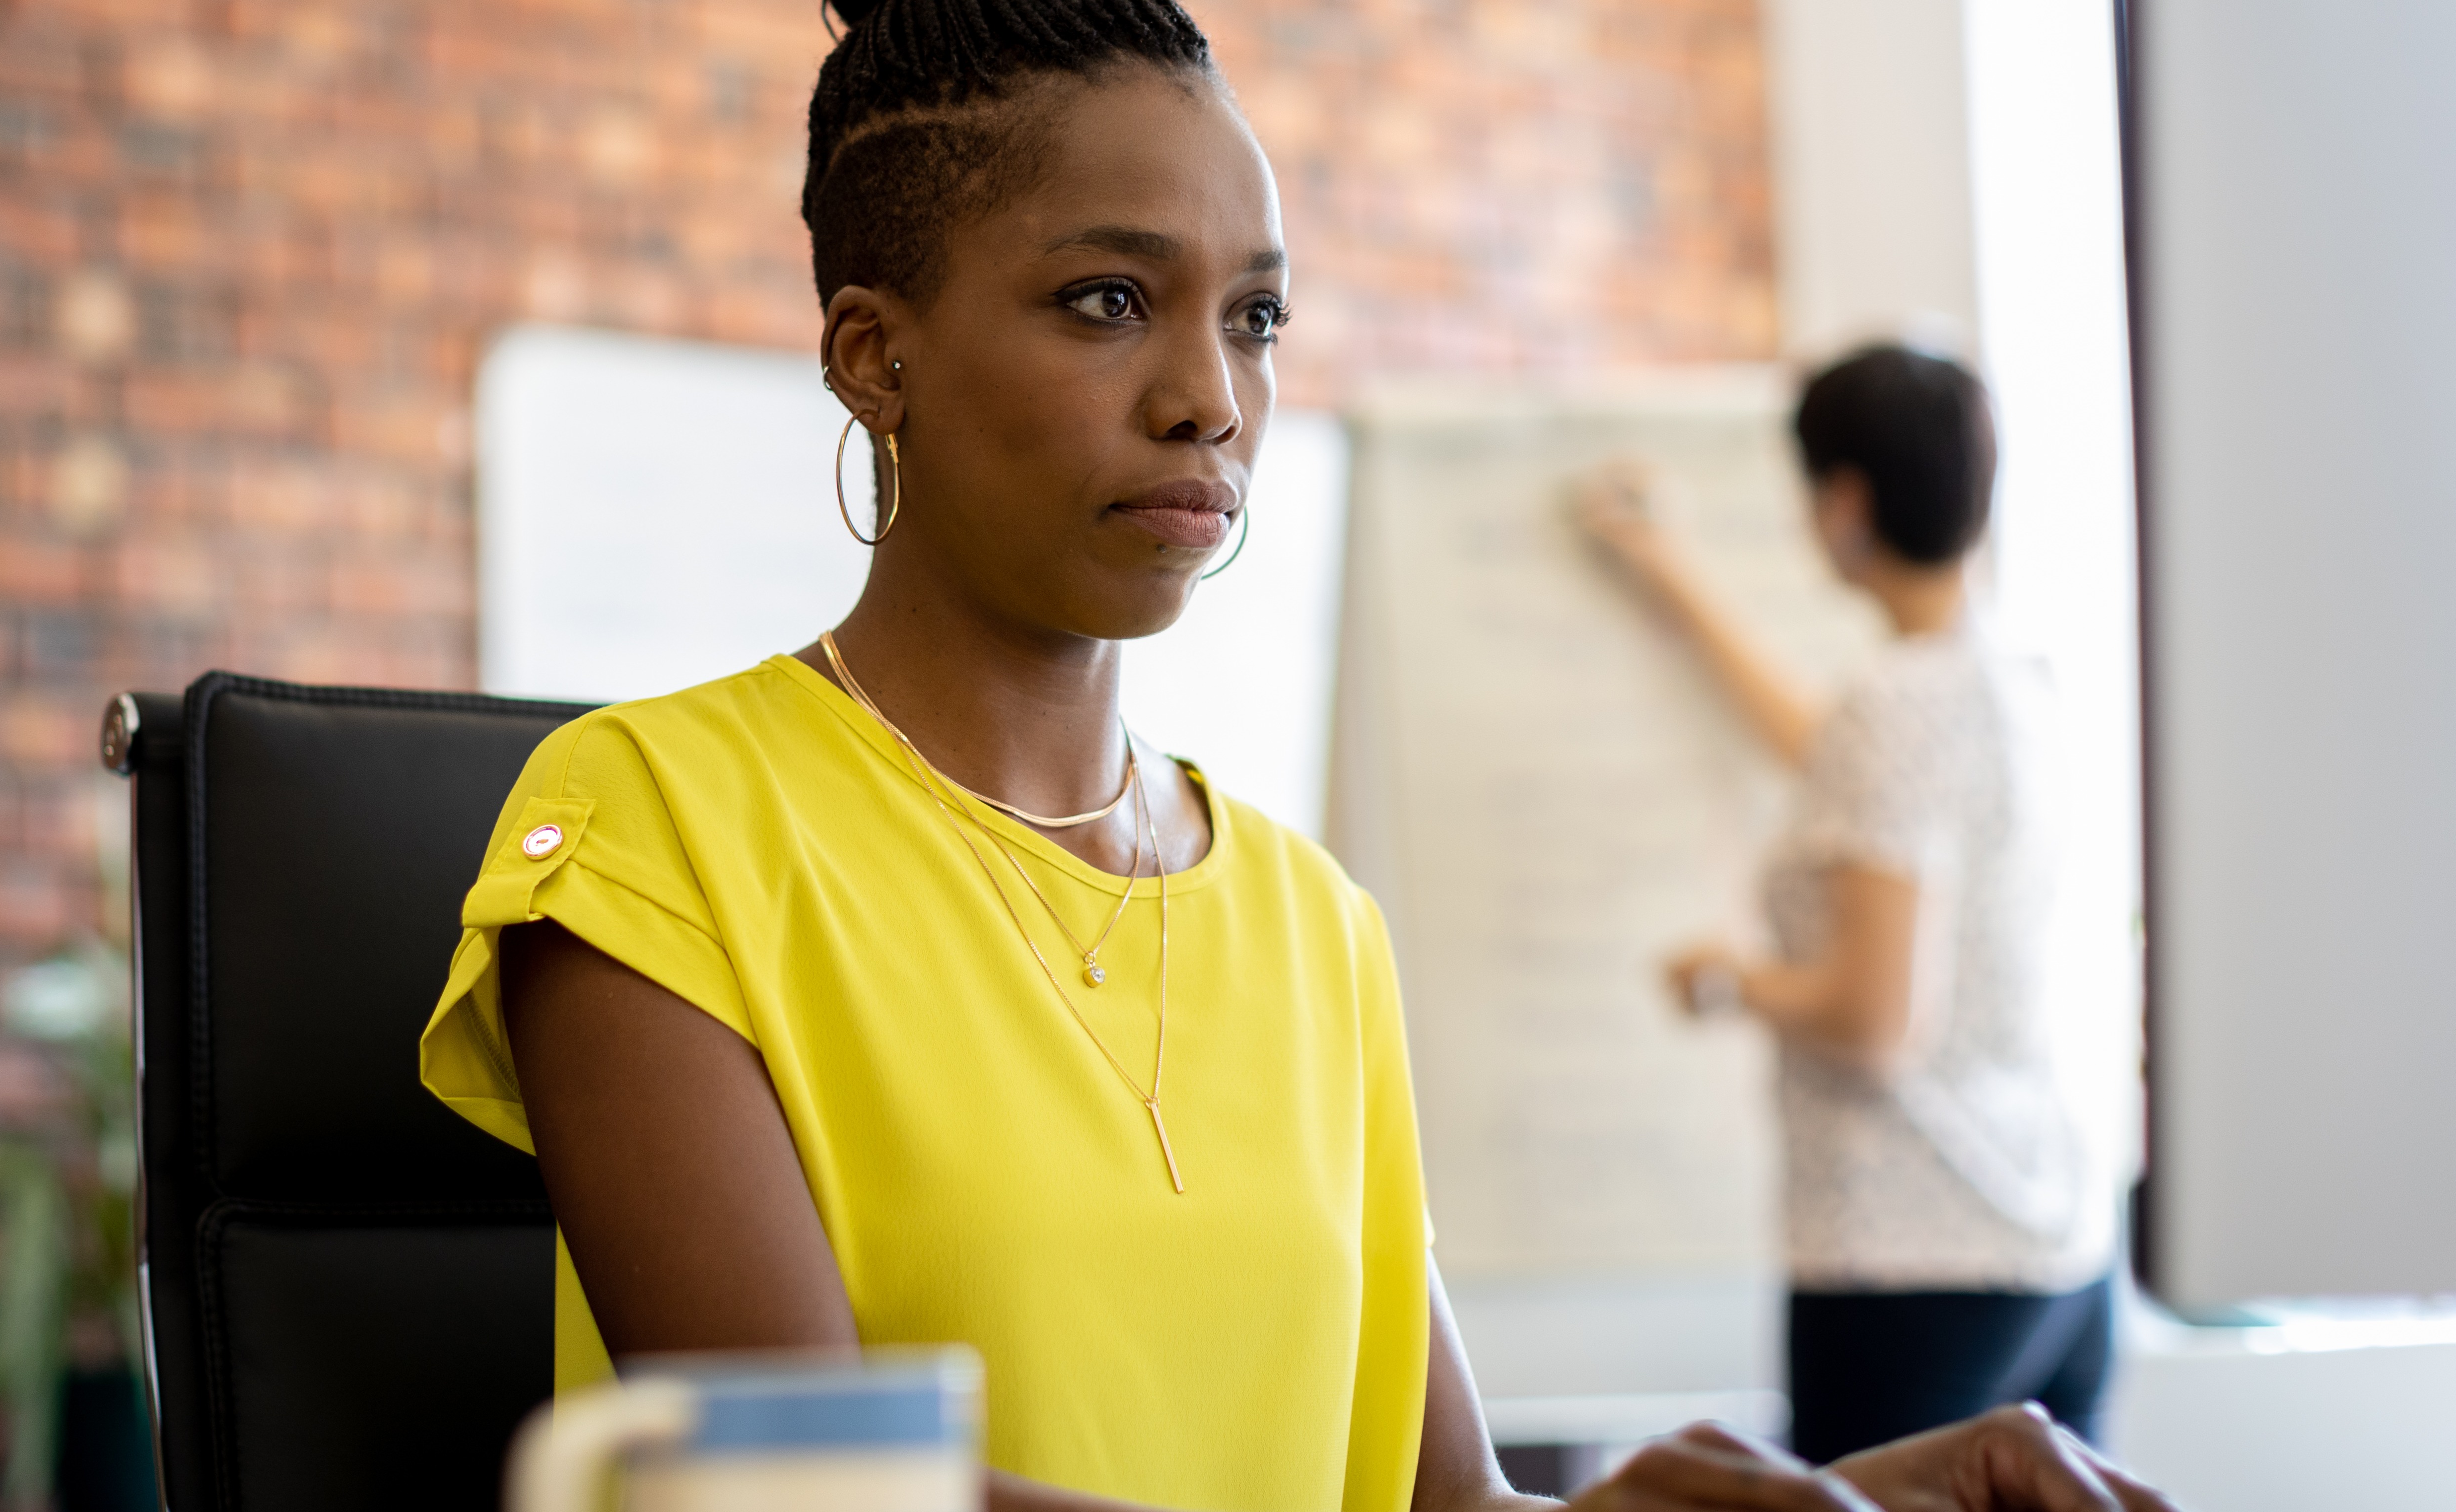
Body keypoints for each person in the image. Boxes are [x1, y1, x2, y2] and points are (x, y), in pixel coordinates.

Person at [420, 3, 2171, 1506]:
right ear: (879, 357)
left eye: (1253, 316)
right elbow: (803, 1498)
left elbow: (1447, 1501)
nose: (1213, 397)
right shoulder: (657, 827)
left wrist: (1848, 1488)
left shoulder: (1312, 921)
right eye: (1111, 301)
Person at [1569, 347, 2128, 1463]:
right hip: (2054, 1242)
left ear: (1846, 501)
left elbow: (1876, 1018)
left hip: (1912, 1256)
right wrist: (1668, 573)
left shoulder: (1897, 704)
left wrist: (1729, 979)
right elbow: (1824, 754)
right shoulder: (2010, 676)